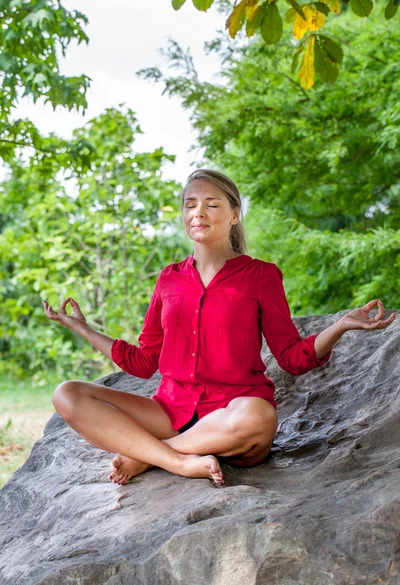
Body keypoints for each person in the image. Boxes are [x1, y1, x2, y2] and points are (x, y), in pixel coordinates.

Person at [42, 168, 396, 487]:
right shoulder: (168, 279)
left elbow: (291, 357)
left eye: (211, 204)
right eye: (190, 204)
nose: (198, 213)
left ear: (234, 214)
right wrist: (84, 329)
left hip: (233, 419)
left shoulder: (261, 275)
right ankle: (176, 461)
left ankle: (147, 456)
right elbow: (143, 362)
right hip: (170, 412)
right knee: (68, 394)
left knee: (259, 415)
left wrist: (341, 326)